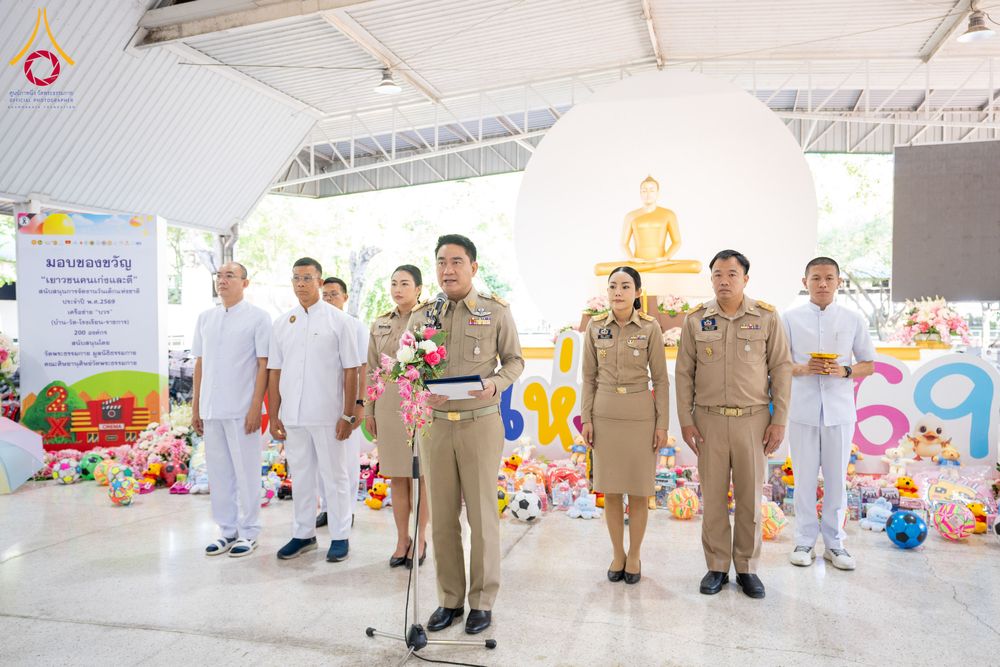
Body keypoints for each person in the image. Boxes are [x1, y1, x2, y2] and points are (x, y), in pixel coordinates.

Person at [408, 234, 524, 635]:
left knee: (481, 515)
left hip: (479, 424)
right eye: (441, 262)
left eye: (457, 261)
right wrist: (417, 389)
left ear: (473, 267)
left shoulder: (494, 311)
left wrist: (495, 384)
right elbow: (409, 367)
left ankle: (482, 601)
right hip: (435, 427)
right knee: (441, 518)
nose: (448, 270)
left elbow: (514, 360)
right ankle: (450, 600)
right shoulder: (423, 316)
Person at [675, 249, 791, 599]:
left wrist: (779, 420)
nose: (724, 281)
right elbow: (684, 373)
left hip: (753, 421)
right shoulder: (696, 319)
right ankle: (716, 566)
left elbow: (781, 369)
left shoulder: (767, 317)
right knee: (711, 498)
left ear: (745, 279)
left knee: (750, 498)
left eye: (731, 274)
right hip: (708, 421)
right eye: (717, 275)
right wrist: (686, 420)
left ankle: (747, 568)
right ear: (711, 279)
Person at [267, 257, 361, 562]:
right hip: (293, 415)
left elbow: (351, 371)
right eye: (296, 278)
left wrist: (348, 414)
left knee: (335, 476)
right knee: (302, 475)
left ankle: (340, 535)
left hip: (328, 414)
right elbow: (274, 371)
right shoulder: (282, 323)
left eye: (307, 278)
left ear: (320, 282)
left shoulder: (339, 322)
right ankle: (303, 533)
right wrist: (274, 414)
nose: (301, 284)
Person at [783, 257, 874, 570]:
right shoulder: (789, 319)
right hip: (802, 410)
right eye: (816, 278)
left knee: (836, 480)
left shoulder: (852, 319)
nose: (822, 284)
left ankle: (835, 545)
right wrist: (804, 367)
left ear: (838, 282)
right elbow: (779, 365)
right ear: (804, 281)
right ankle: (804, 541)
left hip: (839, 411)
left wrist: (844, 370)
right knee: (804, 479)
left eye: (829, 278)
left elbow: (869, 364)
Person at [580, 266, 669, 584]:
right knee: (612, 490)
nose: (618, 292)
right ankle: (617, 553)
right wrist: (586, 418)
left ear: (637, 293)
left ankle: (635, 555)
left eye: (625, 286)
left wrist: (662, 424)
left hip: (640, 415)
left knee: (639, 490)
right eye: (613, 286)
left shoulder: (650, 327)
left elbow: (660, 378)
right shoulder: (595, 327)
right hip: (605, 413)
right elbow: (588, 377)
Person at [192, 262, 271, 558]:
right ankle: (227, 530)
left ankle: (249, 532)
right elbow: (200, 364)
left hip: (242, 409)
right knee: (219, 472)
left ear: (245, 283)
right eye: (219, 276)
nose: (222, 281)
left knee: (246, 471)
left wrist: (256, 408)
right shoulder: (205, 319)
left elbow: (264, 364)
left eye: (230, 276)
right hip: (211, 409)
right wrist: (196, 407)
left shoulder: (258, 319)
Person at [364, 265, 429, 568]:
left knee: (422, 475)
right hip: (389, 404)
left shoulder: (431, 320)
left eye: (405, 283)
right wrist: (369, 408)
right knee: (398, 476)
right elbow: (372, 368)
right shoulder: (379, 324)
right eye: (393, 283)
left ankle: (421, 536)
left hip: (422, 404)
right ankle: (402, 539)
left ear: (418, 289)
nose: (398, 289)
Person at [314, 276, 368, 530]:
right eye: (324, 295)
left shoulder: (354, 326)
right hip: (321, 405)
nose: (328, 299)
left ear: (345, 298)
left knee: (345, 463)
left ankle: (346, 511)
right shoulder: (316, 325)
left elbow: (362, 369)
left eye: (333, 294)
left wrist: (359, 404)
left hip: (347, 406)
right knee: (322, 463)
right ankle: (327, 508)